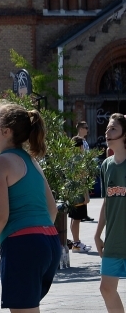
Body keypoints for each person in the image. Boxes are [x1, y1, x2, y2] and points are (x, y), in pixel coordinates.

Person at [0, 103, 61, 313]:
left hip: (23, 244)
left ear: (6, 132)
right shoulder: (31, 161)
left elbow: (0, 216)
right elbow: (52, 209)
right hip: (49, 242)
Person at [94, 113, 126, 312]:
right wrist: (97, 234)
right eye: (107, 128)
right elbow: (107, 201)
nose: (107, 131)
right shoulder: (106, 165)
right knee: (106, 288)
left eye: (113, 128)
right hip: (114, 238)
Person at [69, 136, 93, 252]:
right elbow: (82, 179)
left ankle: (75, 242)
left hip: (71, 193)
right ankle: (77, 243)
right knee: (77, 219)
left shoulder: (70, 158)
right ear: (81, 146)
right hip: (78, 194)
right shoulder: (79, 159)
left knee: (74, 218)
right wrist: (86, 195)